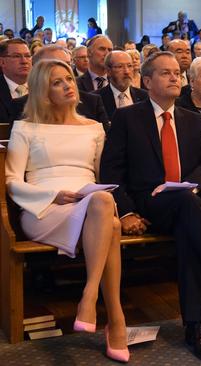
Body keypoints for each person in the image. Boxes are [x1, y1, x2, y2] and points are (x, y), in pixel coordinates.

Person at [100, 51, 201, 361]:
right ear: (147, 81)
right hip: (149, 206)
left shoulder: (191, 119)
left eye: (178, 72)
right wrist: (127, 211)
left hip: (188, 205)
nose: (176, 77)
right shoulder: (128, 118)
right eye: (166, 73)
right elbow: (111, 172)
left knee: (191, 229)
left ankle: (196, 329)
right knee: (191, 214)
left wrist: (193, 185)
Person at [6, 58, 129, 362]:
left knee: (102, 203)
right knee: (108, 221)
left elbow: (105, 178)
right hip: (44, 209)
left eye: (69, 79)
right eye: (57, 82)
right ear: (43, 92)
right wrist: (53, 195)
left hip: (91, 203)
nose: (68, 86)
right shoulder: (26, 128)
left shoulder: (95, 128)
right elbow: (10, 180)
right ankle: (113, 316)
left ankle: (90, 297)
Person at [10, 45, 109, 132]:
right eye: (55, 64)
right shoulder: (20, 106)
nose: (62, 69)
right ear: (38, 71)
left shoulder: (92, 102)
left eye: (67, 64)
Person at [93, 50, 148, 120]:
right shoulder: (95, 99)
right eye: (120, 67)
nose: (127, 71)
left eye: (130, 66)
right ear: (108, 71)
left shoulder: (144, 96)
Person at [0, 38, 31, 123]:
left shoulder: (43, 86)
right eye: (16, 56)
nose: (24, 61)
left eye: (28, 56)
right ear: (2, 62)